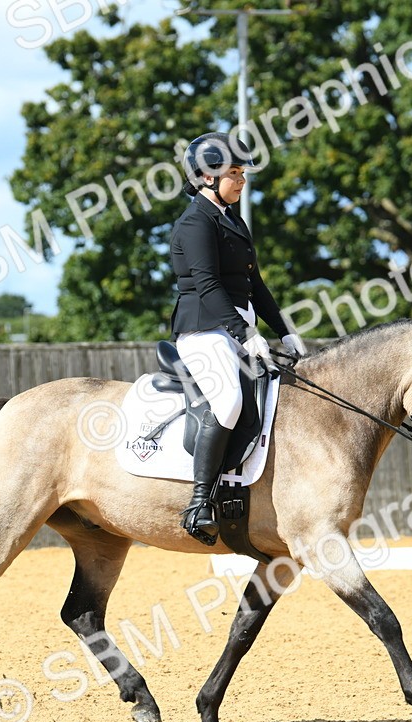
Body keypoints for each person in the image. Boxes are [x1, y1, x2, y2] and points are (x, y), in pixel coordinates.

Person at [169, 132, 307, 545]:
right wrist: (245, 334)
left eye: (242, 173)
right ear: (207, 177)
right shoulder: (194, 222)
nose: (241, 180)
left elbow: (255, 285)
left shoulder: (233, 219)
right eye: (234, 173)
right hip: (203, 330)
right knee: (228, 401)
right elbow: (209, 286)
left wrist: (286, 331)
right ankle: (198, 502)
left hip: (234, 328)